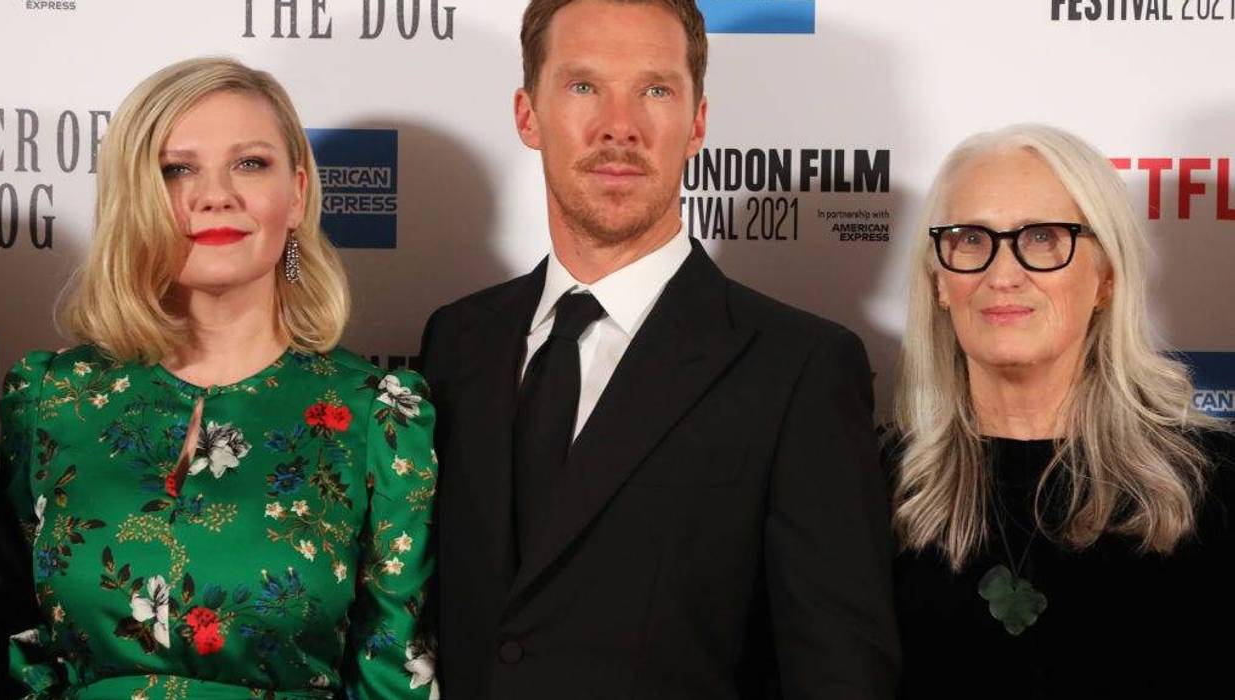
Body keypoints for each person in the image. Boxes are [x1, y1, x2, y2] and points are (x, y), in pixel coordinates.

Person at [417, 1, 899, 697]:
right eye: (583, 86)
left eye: (655, 90)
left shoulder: (799, 368)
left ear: (696, 122)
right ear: (527, 115)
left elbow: (837, 670)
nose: (620, 126)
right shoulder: (456, 341)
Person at [0, 57, 438, 699]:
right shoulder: (48, 399)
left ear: (300, 195)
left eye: (250, 163)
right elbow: (13, 647)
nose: (216, 194)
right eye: (177, 169)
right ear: (134, 197)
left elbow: (392, 673)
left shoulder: (379, 417)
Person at [888, 123, 1235, 698]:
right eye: (971, 239)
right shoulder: (874, 486)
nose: (1002, 275)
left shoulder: (1215, 484)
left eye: (1045, 238)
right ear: (939, 282)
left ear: (1105, 277)